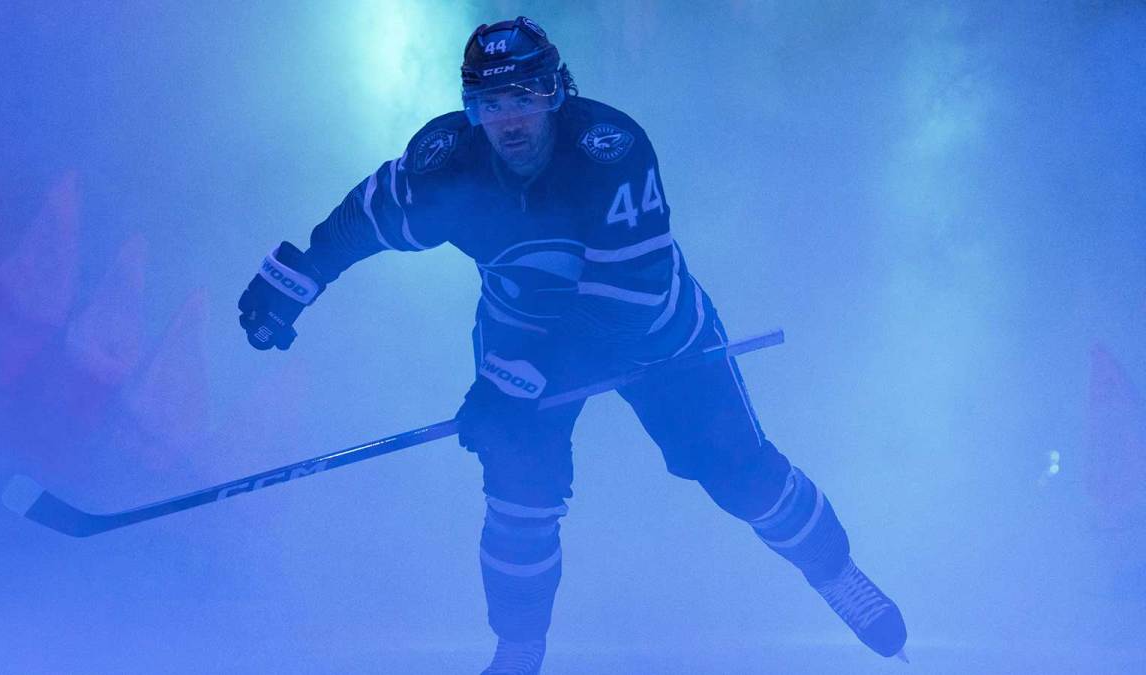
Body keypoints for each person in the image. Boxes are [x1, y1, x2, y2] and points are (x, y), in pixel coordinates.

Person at [237, 16, 907, 674]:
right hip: (520, 330)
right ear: (471, 108)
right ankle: (519, 646)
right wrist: (296, 277)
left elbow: (628, 303)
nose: (511, 120)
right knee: (517, 494)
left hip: (659, 336)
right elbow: (368, 217)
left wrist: (513, 382)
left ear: (557, 93)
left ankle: (835, 571)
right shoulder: (450, 163)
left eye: (526, 97)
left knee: (741, 474)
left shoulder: (610, 151)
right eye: (493, 102)